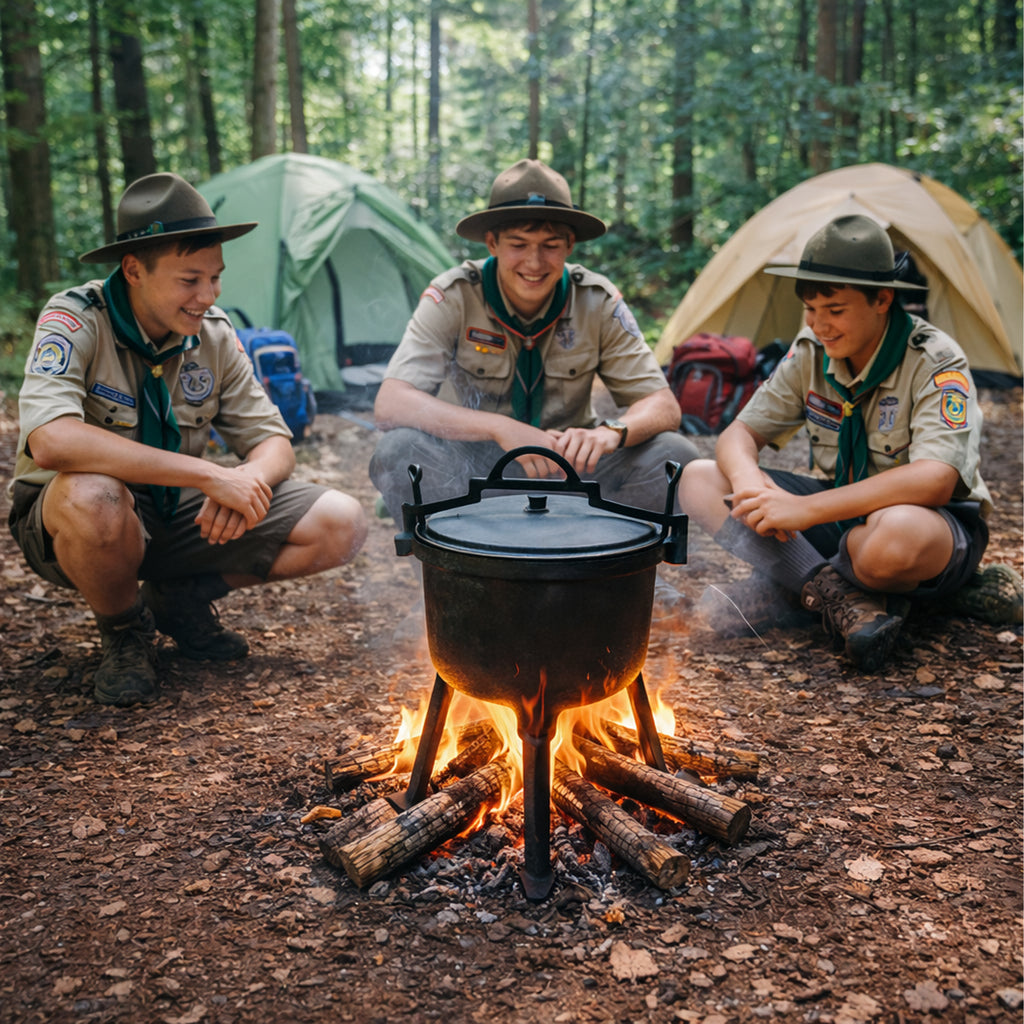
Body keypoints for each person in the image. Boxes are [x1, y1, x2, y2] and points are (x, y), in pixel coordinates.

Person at [8, 173, 368, 707]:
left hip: (177, 513)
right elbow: (52, 442)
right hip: (73, 523)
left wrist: (246, 478)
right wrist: (208, 475)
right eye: (190, 280)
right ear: (134, 270)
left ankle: (180, 598)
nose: (208, 295)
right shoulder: (75, 321)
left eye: (216, 278)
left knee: (343, 522)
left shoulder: (214, 335)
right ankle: (125, 630)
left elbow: (275, 441)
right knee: (95, 496)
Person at [678, 214, 1006, 673]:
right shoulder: (810, 351)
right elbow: (739, 433)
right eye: (810, 310)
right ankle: (837, 596)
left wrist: (805, 510)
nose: (820, 325)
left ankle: (795, 589)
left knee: (892, 540)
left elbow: (936, 479)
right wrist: (752, 483)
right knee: (699, 479)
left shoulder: (935, 359)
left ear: (882, 300)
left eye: (835, 310)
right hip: (845, 520)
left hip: (931, 525)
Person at [369, 158, 697, 525]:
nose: (534, 261)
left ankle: (607, 569)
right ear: (492, 243)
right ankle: (454, 577)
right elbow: (391, 404)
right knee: (398, 451)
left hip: (571, 466)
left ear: (570, 244)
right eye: (518, 244)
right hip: (471, 470)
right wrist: (499, 427)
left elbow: (662, 405)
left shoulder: (596, 300)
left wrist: (611, 434)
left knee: (675, 453)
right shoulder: (455, 296)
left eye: (551, 245)